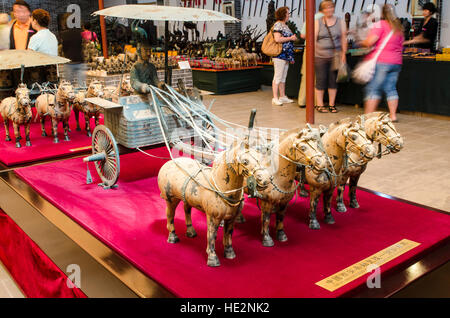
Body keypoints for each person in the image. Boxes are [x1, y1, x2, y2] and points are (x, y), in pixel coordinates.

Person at [360, 4, 404, 122]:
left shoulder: (380, 25)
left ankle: (368, 118)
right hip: (396, 62)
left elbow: (370, 42)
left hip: (382, 61)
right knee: (391, 88)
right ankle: (393, 115)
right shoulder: (399, 27)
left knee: (374, 89)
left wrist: (361, 42)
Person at [314, 0, 347, 113]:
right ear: (322, 10)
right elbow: (313, 39)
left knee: (333, 80)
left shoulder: (340, 21)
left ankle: (332, 104)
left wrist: (343, 53)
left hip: (335, 56)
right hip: (320, 56)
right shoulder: (318, 22)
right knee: (321, 80)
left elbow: (343, 38)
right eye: (326, 8)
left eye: (331, 7)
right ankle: (320, 104)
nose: (329, 10)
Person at [271, 6, 297, 106]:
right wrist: (290, 38)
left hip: (286, 55)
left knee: (283, 77)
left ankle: (282, 96)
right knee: (278, 76)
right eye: (287, 13)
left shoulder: (285, 25)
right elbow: (277, 39)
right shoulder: (278, 25)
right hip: (279, 55)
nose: (289, 15)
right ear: (283, 14)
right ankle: (275, 97)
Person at [297, 12, 323, 108]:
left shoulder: (310, 17)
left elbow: (303, 35)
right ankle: (317, 103)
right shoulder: (327, 19)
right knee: (318, 77)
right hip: (320, 50)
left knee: (306, 75)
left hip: (309, 49)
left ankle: (302, 101)